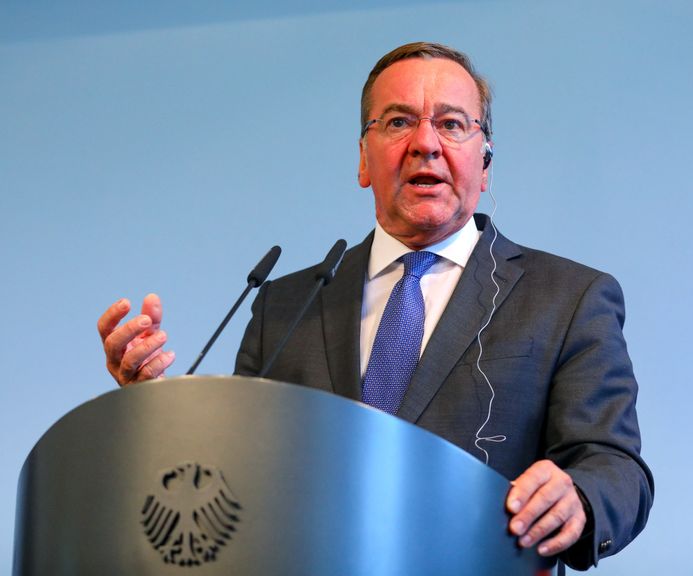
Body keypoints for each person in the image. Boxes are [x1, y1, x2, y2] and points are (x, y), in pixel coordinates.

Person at [97, 42, 653, 571]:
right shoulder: (285, 306)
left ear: (484, 167)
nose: (425, 143)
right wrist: (158, 413)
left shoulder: (567, 297)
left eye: (452, 123)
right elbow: (240, 475)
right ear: (364, 160)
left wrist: (580, 496)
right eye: (398, 121)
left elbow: (616, 466)